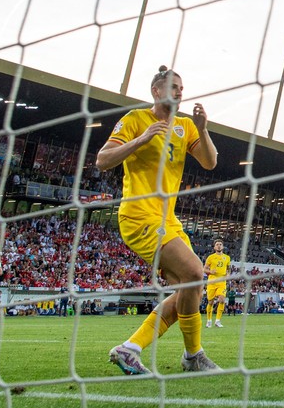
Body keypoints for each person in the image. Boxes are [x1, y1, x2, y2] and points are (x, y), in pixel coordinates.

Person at [97, 65, 221, 375]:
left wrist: (203, 128)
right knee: (194, 271)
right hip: (139, 215)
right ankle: (193, 356)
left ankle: (130, 348)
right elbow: (102, 160)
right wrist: (141, 139)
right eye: (174, 86)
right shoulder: (136, 120)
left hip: (168, 219)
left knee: (188, 292)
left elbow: (210, 162)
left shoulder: (185, 126)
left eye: (182, 87)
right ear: (157, 91)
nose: (180, 91)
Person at [203, 240, 230, 328]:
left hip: (222, 282)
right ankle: (209, 320)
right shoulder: (210, 257)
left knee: (222, 299)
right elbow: (205, 269)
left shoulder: (227, 258)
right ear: (214, 247)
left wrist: (228, 274)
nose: (219, 246)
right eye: (217, 245)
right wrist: (210, 271)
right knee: (210, 302)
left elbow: (228, 268)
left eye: (220, 245)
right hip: (212, 282)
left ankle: (218, 321)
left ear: (223, 247)